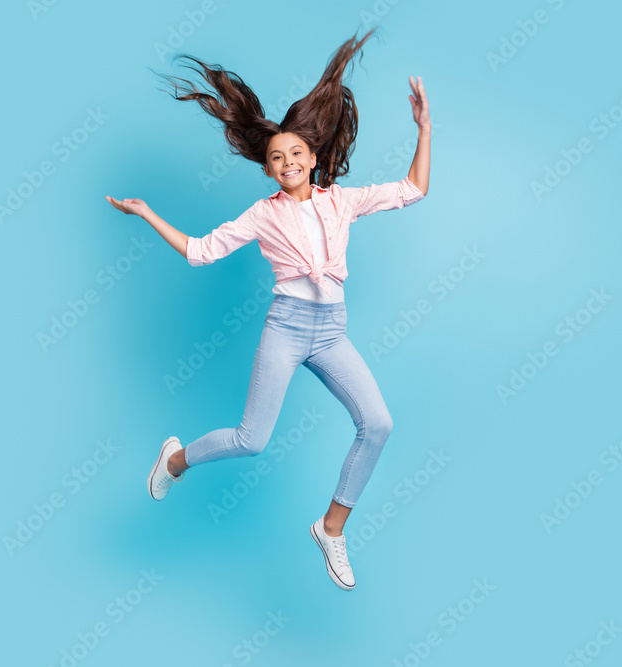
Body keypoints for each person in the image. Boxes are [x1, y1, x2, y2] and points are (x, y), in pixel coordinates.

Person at [106, 28, 431, 590]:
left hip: (332, 332)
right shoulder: (262, 214)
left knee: (378, 424)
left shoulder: (342, 201)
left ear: (313, 157)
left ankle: (332, 528)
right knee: (251, 440)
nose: (287, 162)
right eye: (277, 157)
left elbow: (413, 190)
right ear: (268, 169)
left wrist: (425, 129)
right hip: (287, 329)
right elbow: (201, 252)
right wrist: (148, 214)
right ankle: (177, 459)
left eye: (296, 154)